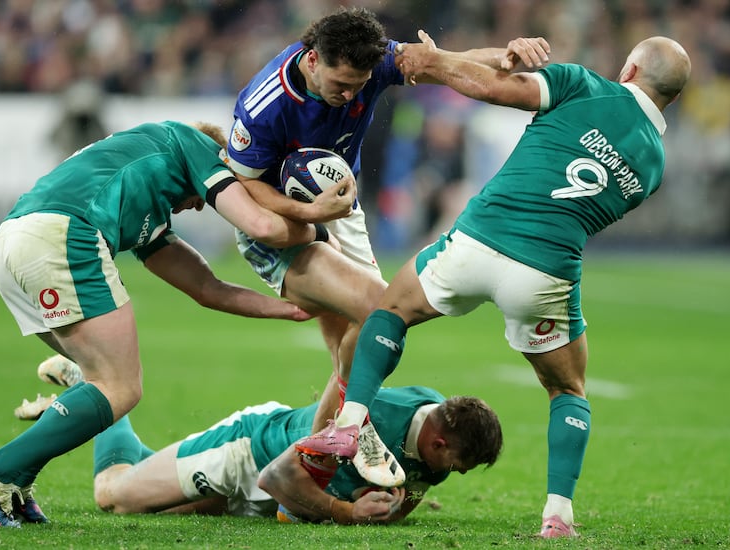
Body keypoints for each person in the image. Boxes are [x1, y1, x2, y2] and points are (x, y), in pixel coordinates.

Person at [322, 33, 691, 538]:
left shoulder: (584, 84)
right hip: (545, 272)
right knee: (568, 388)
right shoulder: (654, 166)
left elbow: (494, 88)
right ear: (671, 96)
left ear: (628, 70)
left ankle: (349, 424)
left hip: (479, 240)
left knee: (391, 312)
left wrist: (435, 60)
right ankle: (558, 515)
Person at [0, 120, 356, 528]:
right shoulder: (194, 144)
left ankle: (16, 482)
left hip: (12, 241)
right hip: (64, 234)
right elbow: (262, 226)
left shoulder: (146, 190)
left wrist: (290, 310)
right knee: (118, 387)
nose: (203, 204)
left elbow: (205, 287)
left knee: (101, 380)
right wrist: (319, 224)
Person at [224, 6, 549, 483]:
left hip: (341, 211)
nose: (350, 95)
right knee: (382, 312)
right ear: (312, 60)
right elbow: (242, 187)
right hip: (277, 224)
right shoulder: (263, 105)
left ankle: (325, 450)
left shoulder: (372, 64)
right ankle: (348, 428)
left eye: (359, 84)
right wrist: (313, 214)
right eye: (341, 84)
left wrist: (504, 56)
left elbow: (445, 62)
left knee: (350, 347)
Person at [83, 383, 502, 524]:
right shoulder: (365, 419)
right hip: (247, 454)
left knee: (155, 508)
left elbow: (403, 498)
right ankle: (97, 388)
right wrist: (345, 512)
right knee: (114, 497)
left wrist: (378, 504)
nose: (457, 475)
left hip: (274, 500)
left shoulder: (437, 423)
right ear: (439, 444)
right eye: (458, 465)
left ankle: (143, 453)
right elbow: (277, 477)